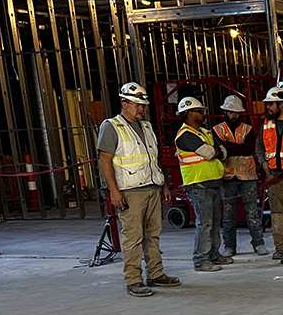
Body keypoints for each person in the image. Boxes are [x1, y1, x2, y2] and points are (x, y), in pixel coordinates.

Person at [97, 82, 181, 298]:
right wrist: (113, 191)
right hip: (130, 191)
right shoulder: (112, 127)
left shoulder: (145, 126)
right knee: (133, 238)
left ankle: (155, 274)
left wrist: (163, 185)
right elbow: (105, 162)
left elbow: (154, 159)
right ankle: (133, 280)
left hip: (152, 188)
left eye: (142, 105)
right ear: (124, 103)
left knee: (153, 235)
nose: (141, 109)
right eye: (136, 105)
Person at [174, 96, 230, 272]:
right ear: (189, 113)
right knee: (204, 223)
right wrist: (216, 152)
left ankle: (213, 254)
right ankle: (200, 259)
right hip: (198, 184)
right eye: (199, 111)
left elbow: (224, 151)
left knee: (213, 222)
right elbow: (208, 152)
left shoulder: (204, 132)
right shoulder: (185, 135)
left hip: (212, 182)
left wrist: (217, 152)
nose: (202, 114)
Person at [213, 94, 268, 257]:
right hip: (227, 176)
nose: (234, 115)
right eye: (231, 112)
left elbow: (248, 149)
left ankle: (258, 243)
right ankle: (229, 246)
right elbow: (221, 148)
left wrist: (228, 147)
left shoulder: (248, 129)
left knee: (252, 212)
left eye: (236, 112)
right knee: (228, 215)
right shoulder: (217, 130)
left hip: (247, 176)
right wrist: (236, 147)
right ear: (225, 112)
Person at [256, 86, 283, 260]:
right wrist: (263, 163)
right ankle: (281, 248)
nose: (268, 107)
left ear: (281, 104)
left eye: (271, 104)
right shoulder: (266, 124)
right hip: (274, 177)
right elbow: (259, 146)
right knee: (277, 215)